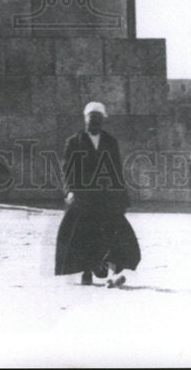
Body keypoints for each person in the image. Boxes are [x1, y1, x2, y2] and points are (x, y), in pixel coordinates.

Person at [55, 101, 141, 286]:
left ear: (102, 120)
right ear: (85, 119)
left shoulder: (110, 142)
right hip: (83, 196)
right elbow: (67, 170)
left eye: (98, 118)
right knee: (83, 235)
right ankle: (86, 271)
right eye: (91, 118)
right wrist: (69, 191)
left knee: (115, 234)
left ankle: (112, 274)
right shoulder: (73, 142)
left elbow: (116, 171)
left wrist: (122, 198)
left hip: (106, 197)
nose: (94, 122)